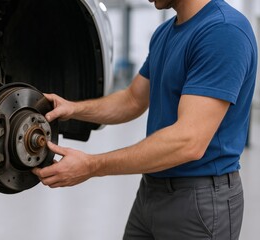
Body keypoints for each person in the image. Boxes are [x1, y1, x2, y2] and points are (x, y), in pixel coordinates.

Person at [32, 0, 258, 239]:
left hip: (199, 200)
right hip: (151, 189)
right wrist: (72, 109)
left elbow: (189, 141)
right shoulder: (164, 33)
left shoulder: (223, 32)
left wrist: (92, 166)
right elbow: (132, 100)